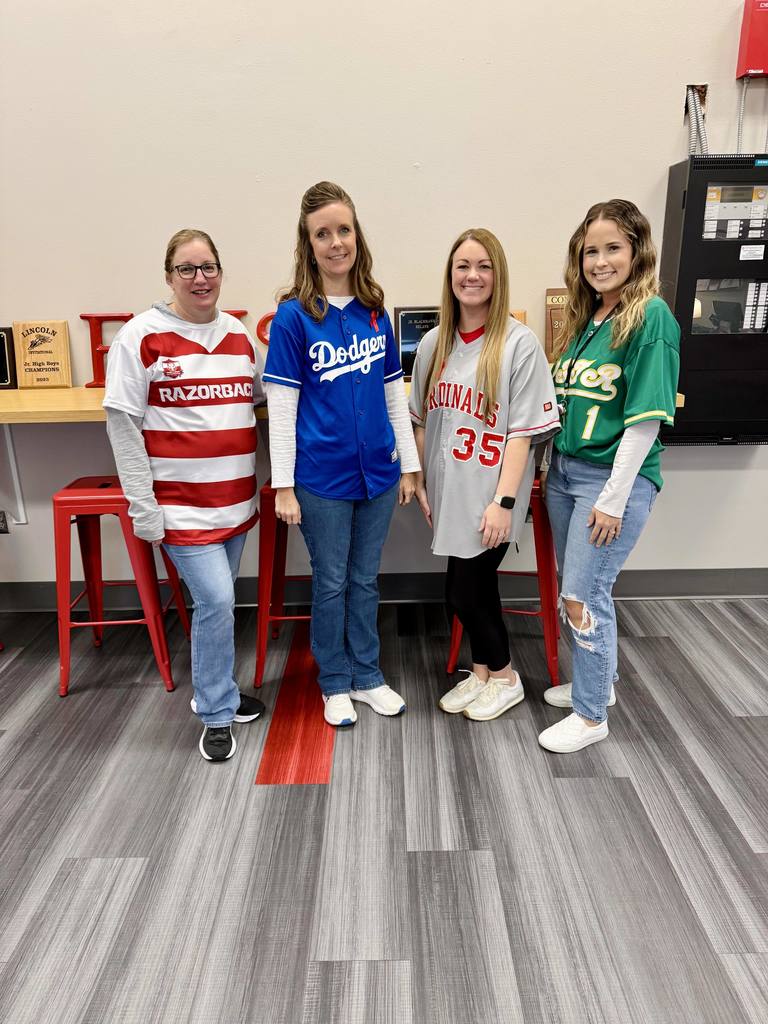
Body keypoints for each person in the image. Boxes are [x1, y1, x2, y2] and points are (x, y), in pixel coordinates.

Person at [103, 229, 266, 763]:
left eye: (209, 267)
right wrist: (142, 506)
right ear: (168, 275)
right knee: (216, 601)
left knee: (219, 602)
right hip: (179, 507)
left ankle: (218, 689)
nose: (201, 279)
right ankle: (216, 712)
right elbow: (123, 425)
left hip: (236, 503)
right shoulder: (139, 337)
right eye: (188, 269)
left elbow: (263, 397)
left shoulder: (239, 335)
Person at [263, 181, 421, 727]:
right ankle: (334, 680)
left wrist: (410, 464)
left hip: (378, 473)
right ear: (308, 245)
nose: (336, 243)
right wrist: (283, 485)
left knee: (365, 579)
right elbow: (281, 409)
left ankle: (368, 675)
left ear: (358, 235)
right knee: (330, 580)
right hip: (321, 478)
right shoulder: (292, 317)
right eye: (322, 234)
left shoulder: (376, 310)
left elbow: (392, 396)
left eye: (343, 230)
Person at [538, 199, 680, 753]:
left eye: (612, 248)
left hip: (610, 480)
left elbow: (644, 421)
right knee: (583, 589)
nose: (600, 261)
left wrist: (614, 499)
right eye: (590, 250)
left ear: (637, 252)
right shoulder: (586, 319)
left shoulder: (651, 318)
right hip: (566, 474)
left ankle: (591, 715)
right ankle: (602, 684)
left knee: (582, 595)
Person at [409, 229, 559, 721]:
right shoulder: (434, 342)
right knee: (469, 590)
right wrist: (422, 480)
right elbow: (420, 419)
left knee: (464, 592)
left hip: (493, 496)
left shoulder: (518, 344)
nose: (472, 276)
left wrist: (506, 502)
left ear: (498, 275)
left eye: (483, 266)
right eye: (462, 266)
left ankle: (506, 675)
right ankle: (480, 674)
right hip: (451, 493)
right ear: (450, 276)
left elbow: (523, 433)